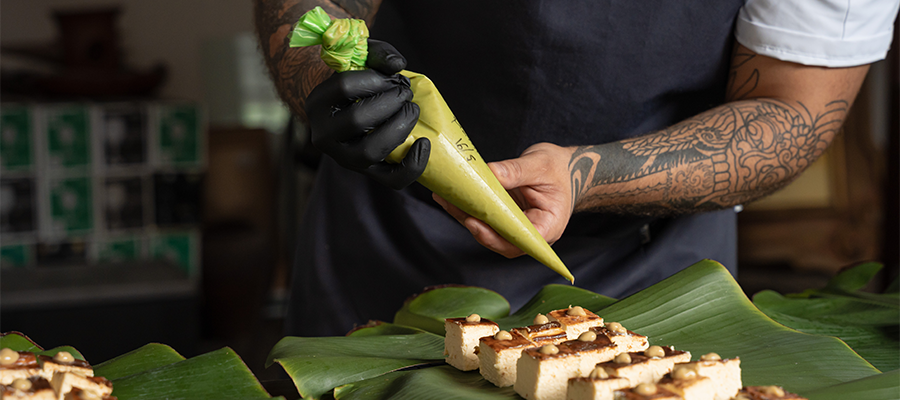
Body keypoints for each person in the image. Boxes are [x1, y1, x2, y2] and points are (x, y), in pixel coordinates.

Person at [253, 0, 899, 336]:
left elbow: (792, 110)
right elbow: (311, 7)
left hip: (654, 268)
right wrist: (320, 77)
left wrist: (586, 176)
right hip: (387, 232)